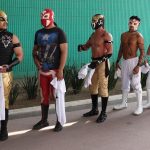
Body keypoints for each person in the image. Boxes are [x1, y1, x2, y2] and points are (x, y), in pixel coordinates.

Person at [32, 8, 68, 132]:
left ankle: (59, 121)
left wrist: (61, 70)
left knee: (57, 96)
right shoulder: (38, 33)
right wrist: (36, 61)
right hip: (43, 71)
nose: (44, 20)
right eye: (42, 17)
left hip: (55, 72)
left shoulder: (59, 32)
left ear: (51, 17)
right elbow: (34, 51)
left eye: (46, 17)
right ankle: (44, 120)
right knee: (44, 97)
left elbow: (64, 52)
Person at [78, 14, 113, 123]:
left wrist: (97, 62)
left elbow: (110, 53)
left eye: (94, 20)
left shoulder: (106, 35)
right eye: (92, 20)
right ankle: (94, 109)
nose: (92, 22)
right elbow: (87, 45)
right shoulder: (93, 35)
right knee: (92, 87)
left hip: (103, 63)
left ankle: (104, 112)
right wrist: (81, 47)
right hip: (94, 63)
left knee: (103, 87)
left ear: (100, 21)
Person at [113, 16, 144, 115]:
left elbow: (142, 52)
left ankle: (140, 106)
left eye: (135, 23)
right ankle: (123, 103)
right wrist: (117, 61)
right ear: (128, 23)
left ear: (138, 25)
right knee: (124, 83)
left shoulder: (138, 35)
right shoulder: (123, 35)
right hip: (124, 61)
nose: (132, 25)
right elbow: (121, 49)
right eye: (130, 22)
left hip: (134, 62)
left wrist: (138, 65)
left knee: (136, 84)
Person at [0, 10, 23, 141]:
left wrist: (9, 66)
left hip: (5, 75)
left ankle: (3, 129)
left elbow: (20, 56)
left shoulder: (11, 37)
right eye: (2, 19)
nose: (4, 22)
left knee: (4, 102)